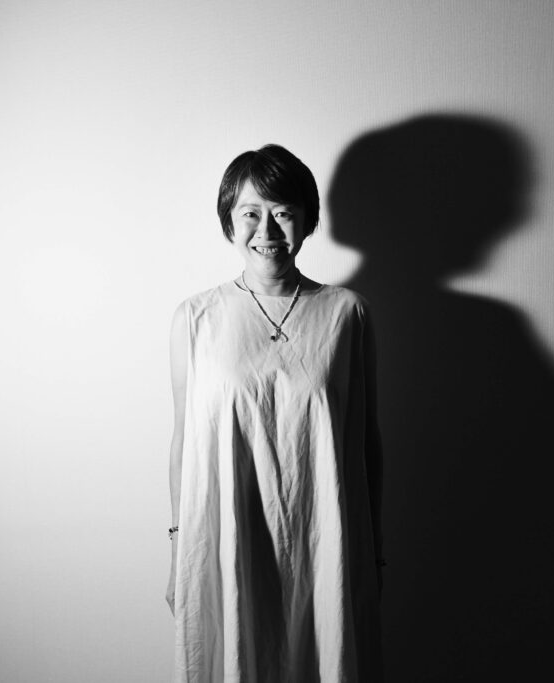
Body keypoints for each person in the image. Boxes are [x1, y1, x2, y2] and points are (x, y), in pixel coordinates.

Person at [166, 144, 383, 682]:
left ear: (307, 220)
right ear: (229, 221)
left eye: (283, 212)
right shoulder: (196, 318)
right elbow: (183, 442)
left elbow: (365, 443)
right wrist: (178, 552)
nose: (266, 229)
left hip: (323, 539)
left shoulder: (346, 314)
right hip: (227, 538)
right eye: (250, 213)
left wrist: (373, 554)